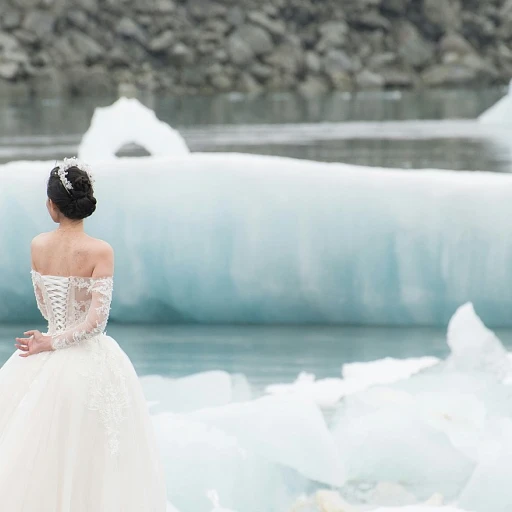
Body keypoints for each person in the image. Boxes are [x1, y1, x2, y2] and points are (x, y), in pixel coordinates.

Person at [0, 157, 166, 511]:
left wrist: (49, 339)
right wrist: (56, 340)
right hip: (89, 361)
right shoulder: (100, 251)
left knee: (38, 452)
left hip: (44, 352)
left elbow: (46, 310)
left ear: (51, 205)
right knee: (96, 457)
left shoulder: (38, 246)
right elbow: (96, 322)